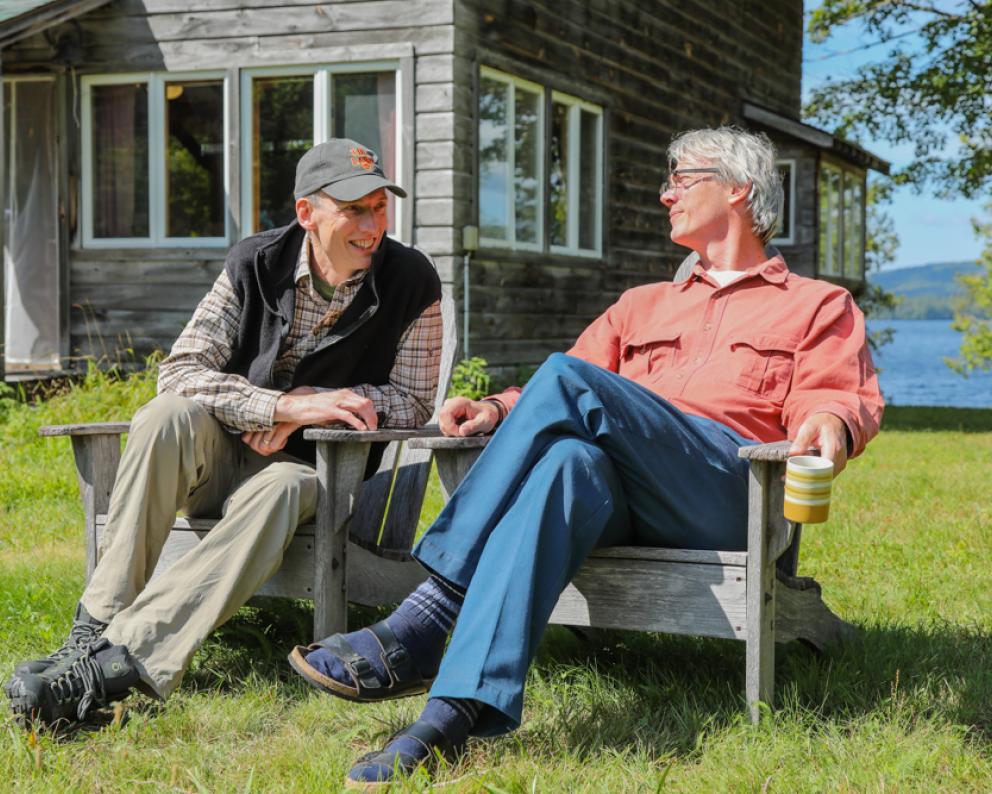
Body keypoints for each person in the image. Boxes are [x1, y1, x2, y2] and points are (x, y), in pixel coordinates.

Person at [285, 127, 884, 787]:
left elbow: (836, 394)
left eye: (681, 179)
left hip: (728, 492)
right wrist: (498, 409)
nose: (664, 195)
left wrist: (830, 418)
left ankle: (428, 614)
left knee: (572, 385)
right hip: (631, 498)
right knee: (568, 465)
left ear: (739, 189)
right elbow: (560, 387)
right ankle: (451, 718)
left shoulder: (817, 305)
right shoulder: (641, 306)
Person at [6, 138, 443, 728]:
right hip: (224, 454)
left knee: (283, 485)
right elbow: (180, 372)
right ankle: (91, 635)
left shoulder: (412, 280)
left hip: (312, 475)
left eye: (379, 207)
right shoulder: (254, 263)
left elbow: (415, 403)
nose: (372, 226)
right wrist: (280, 407)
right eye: (355, 210)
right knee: (162, 416)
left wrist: (327, 407)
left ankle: (114, 667)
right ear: (307, 213)